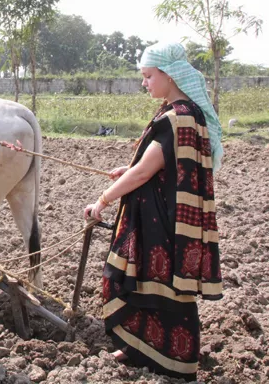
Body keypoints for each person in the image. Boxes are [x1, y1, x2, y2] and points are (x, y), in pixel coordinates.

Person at [83, 42, 223, 381]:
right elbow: (160, 165)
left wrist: (102, 200)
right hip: (165, 216)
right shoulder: (184, 113)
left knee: (150, 285)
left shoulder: (178, 117)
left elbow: (145, 172)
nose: (144, 83)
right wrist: (127, 167)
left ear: (169, 75)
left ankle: (167, 360)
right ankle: (138, 349)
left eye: (148, 76)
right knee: (150, 285)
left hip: (163, 223)